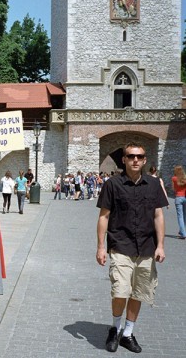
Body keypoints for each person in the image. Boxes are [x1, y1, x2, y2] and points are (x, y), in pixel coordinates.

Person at [96, 142, 167, 353]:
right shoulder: (113, 185)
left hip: (146, 248)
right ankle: (115, 328)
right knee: (120, 291)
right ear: (124, 160)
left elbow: (158, 215)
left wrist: (161, 245)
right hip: (120, 246)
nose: (135, 159)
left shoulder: (154, 185)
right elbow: (104, 217)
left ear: (145, 160)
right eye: (131, 156)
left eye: (139, 156)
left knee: (138, 293)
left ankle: (127, 333)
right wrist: (101, 247)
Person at [171, 165, 186, 239]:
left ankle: (183, 234)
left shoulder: (174, 178)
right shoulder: (184, 179)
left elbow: (173, 189)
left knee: (180, 216)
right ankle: (182, 231)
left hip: (178, 198)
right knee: (184, 215)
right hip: (185, 198)